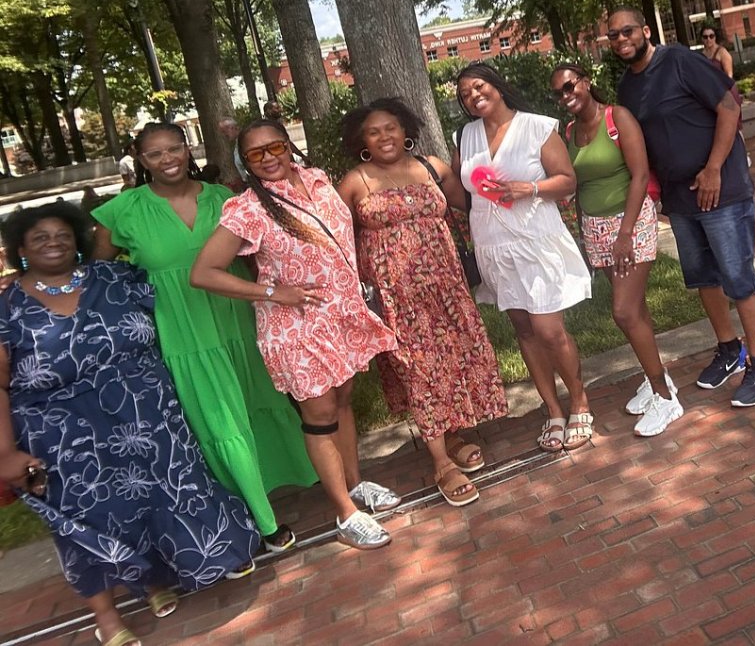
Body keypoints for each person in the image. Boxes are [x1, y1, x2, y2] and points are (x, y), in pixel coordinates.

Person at [0, 203, 259, 646]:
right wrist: (6, 451)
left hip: (147, 412)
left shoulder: (118, 279)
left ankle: (162, 578)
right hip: (64, 433)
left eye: (62, 233)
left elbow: (177, 311)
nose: (53, 242)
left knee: (169, 491)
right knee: (87, 516)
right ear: (19, 248)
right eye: (39, 237)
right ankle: (107, 617)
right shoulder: (7, 307)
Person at [92, 121, 316, 554]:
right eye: (155, 154)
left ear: (186, 149)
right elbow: (102, 276)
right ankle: (262, 522)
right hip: (184, 331)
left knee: (261, 402)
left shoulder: (224, 199)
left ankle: (287, 480)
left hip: (239, 318)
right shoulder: (123, 211)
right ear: (141, 161)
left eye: (174, 149)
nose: (168, 159)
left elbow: (258, 257)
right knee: (220, 421)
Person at [190, 118, 401, 550]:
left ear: (289, 147)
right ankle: (345, 512)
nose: (269, 158)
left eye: (276, 148)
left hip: (340, 317)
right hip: (297, 329)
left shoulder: (319, 182)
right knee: (319, 416)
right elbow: (203, 272)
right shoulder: (249, 207)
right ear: (244, 162)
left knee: (342, 402)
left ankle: (356, 485)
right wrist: (271, 292)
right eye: (256, 154)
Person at [338, 98, 507, 506]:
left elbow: (469, 204)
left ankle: (451, 435)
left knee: (450, 360)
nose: (385, 137)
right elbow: (337, 239)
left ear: (406, 129)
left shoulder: (432, 167)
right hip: (397, 298)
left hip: (446, 288)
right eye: (374, 131)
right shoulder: (355, 181)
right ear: (362, 140)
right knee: (418, 369)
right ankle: (440, 464)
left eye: (391, 127)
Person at [606, 7, 755, 408]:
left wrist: (714, 167)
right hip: (680, 199)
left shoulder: (679, 60)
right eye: (613, 35)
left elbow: (729, 107)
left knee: (738, 277)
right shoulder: (627, 88)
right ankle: (729, 350)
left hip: (721, 190)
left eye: (628, 30)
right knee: (703, 278)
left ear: (645, 30)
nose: (622, 39)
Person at [452, 64, 594, 453]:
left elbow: (567, 180)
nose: (473, 96)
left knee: (550, 330)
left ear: (496, 86)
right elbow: (462, 190)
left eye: (478, 86)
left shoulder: (535, 126)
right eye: (464, 94)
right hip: (494, 245)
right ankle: (553, 410)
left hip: (535, 240)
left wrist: (526, 187)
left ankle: (578, 399)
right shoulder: (465, 135)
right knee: (524, 330)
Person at [550, 63, 683, 437]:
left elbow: (640, 174)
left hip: (631, 221)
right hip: (595, 228)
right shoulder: (571, 131)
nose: (565, 96)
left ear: (586, 82)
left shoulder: (617, 117)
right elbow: (576, 185)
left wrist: (625, 233)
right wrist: (580, 234)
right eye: (558, 93)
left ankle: (666, 399)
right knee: (636, 308)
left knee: (624, 311)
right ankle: (658, 377)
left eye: (569, 86)